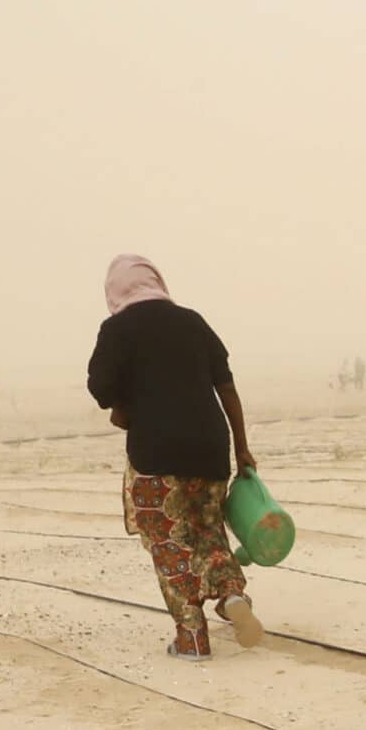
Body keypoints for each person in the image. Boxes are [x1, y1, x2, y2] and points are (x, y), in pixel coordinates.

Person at [86, 255, 264, 661]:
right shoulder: (193, 322)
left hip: (156, 453)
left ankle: (192, 637)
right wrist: (242, 449)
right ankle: (232, 594)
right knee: (207, 530)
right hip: (210, 448)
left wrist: (124, 404)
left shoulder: (117, 329)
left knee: (169, 541)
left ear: (115, 290)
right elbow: (227, 389)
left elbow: (100, 389)